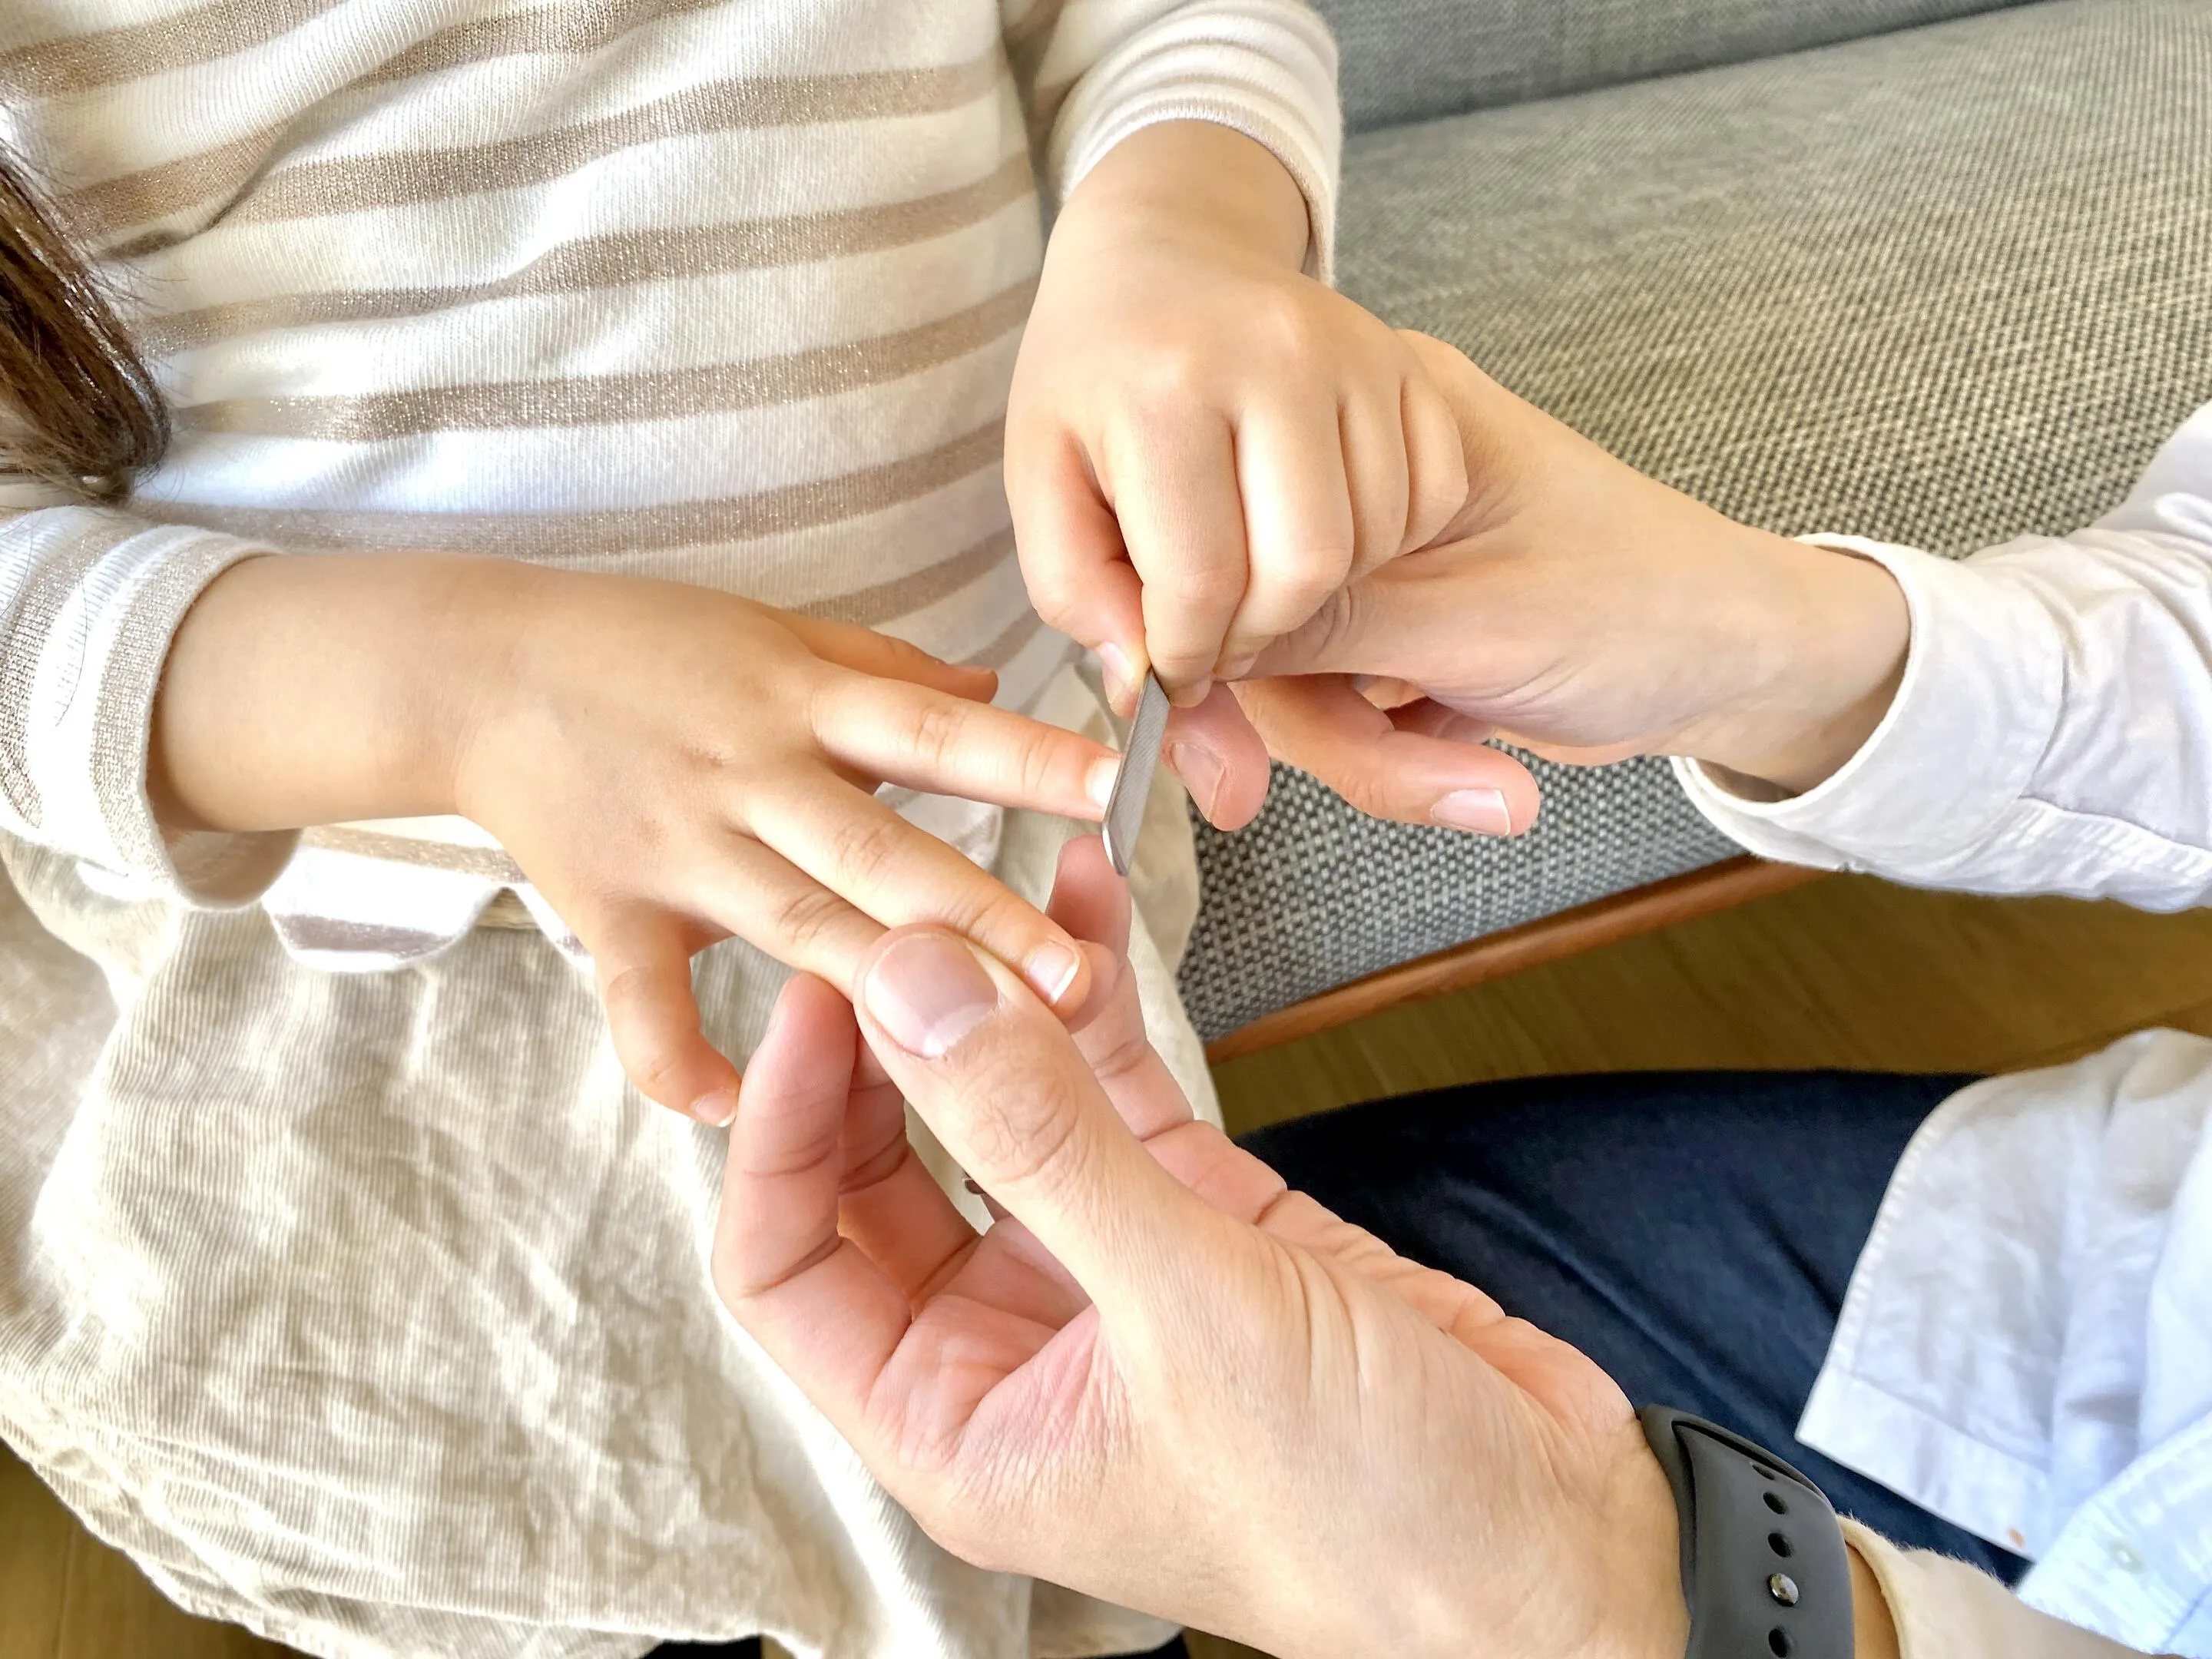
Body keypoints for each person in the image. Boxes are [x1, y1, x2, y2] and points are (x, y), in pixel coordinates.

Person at [0, 4, 1497, 1654]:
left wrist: (1180, 236)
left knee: (1100, 1530)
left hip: (981, 879)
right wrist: (468, 695)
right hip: (385, 1020)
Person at [712, 336, 2212, 1658]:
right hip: (2127, 1274)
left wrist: (1595, 1603)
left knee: (1159, 1330)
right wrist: (1759, 643)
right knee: (1175, 1277)